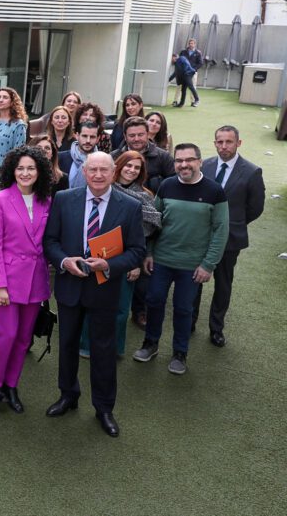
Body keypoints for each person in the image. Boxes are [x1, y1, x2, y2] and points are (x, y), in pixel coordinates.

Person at [43, 152, 146, 437]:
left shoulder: (131, 206)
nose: (98, 175)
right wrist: (65, 262)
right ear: (84, 173)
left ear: (114, 173)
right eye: (93, 170)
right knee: (67, 345)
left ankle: (103, 408)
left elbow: (138, 251)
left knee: (103, 350)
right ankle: (68, 395)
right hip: (70, 287)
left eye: (104, 170)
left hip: (105, 289)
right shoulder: (64, 199)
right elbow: (50, 241)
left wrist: (109, 265)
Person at [135, 144, 228, 375]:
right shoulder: (167, 185)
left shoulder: (214, 191)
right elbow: (154, 222)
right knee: (154, 301)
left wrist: (208, 265)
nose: (183, 165)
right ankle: (151, 343)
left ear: (200, 162)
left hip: (192, 266)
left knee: (184, 309)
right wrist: (149, 253)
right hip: (162, 261)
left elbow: (220, 230)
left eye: (189, 160)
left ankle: (180, 353)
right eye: (179, 160)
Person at [0, 147, 53, 414]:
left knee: (24, 338)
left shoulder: (46, 201)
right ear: (12, 170)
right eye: (20, 168)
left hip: (36, 280)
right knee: (7, 334)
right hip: (7, 280)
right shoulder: (0, 199)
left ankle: (11, 385)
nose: (25, 173)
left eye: (31, 168)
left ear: (40, 172)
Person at [78, 150, 160, 359]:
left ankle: (114, 348)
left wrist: (135, 263)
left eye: (137, 168)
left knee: (120, 308)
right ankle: (86, 345)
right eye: (128, 165)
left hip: (125, 260)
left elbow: (146, 236)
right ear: (118, 167)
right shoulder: (101, 189)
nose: (131, 170)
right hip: (97, 255)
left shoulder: (144, 196)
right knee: (91, 304)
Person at [193, 126, 265, 347]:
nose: (224, 146)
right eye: (220, 142)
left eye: (229, 142)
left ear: (238, 143)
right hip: (201, 235)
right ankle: (189, 322)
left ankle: (216, 328)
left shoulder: (252, 171)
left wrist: (233, 225)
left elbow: (255, 207)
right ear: (215, 143)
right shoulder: (205, 165)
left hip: (231, 239)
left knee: (223, 284)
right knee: (195, 280)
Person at [109, 116, 175, 192]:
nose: (136, 139)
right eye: (132, 135)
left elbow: (173, 183)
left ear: (147, 134)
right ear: (125, 136)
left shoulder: (164, 157)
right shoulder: (114, 157)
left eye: (140, 135)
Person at [0, 87, 28, 165]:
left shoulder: (18, 125)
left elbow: (19, 152)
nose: (1, 100)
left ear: (12, 102)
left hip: (6, 168)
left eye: (5, 97)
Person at [67, 122, 101, 191]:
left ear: (98, 139)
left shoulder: (102, 160)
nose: (88, 141)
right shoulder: (61, 158)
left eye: (92, 137)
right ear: (77, 136)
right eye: (84, 136)